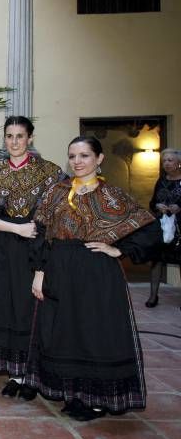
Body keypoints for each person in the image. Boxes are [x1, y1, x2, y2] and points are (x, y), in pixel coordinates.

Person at [27, 136, 160, 421]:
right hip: (60, 269)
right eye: (72, 155)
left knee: (94, 331)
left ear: (99, 159)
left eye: (84, 156)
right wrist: (39, 272)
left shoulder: (112, 195)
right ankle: (74, 391)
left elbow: (148, 228)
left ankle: (98, 399)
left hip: (96, 273)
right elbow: (40, 234)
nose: (77, 161)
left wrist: (119, 249)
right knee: (65, 332)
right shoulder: (56, 192)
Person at [0, 117, 62, 393]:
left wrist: (33, 234)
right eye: (9, 136)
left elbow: (55, 215)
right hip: (0, 248)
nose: (14, 142)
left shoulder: (50, 172)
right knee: (0, 307)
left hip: (35, 249)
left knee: (30, 309)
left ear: (30, 138)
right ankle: (9, 370)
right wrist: (16, 228)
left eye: (20, 136)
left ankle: (27, 376)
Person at [146, 148, 181, 308]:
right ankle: (153, 296)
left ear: (178, 163)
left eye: (170, 160)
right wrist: (157, 206)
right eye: (164, 160)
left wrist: (179, 207)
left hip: (179, 228)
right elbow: (152, 202)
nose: (166, 163)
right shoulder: (161, 180)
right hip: (161, 226)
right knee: (156, 260)